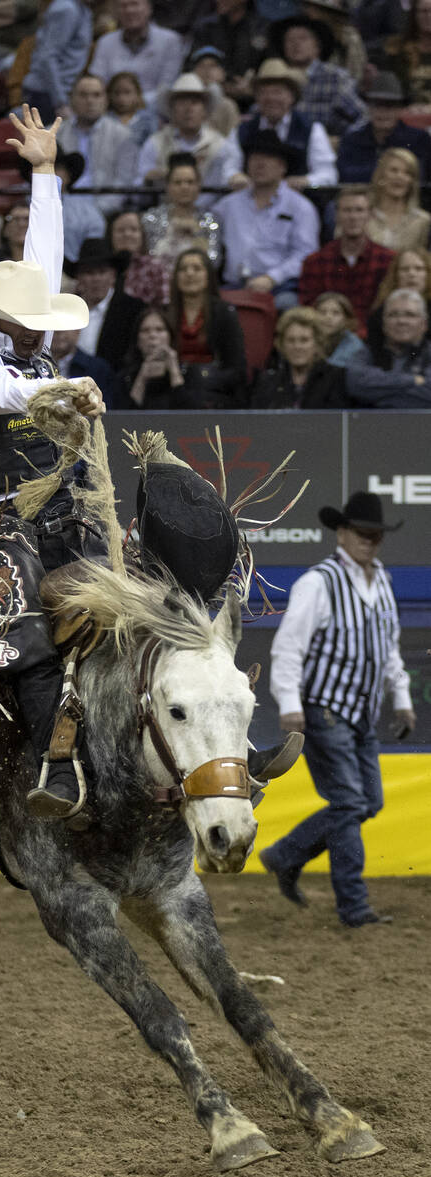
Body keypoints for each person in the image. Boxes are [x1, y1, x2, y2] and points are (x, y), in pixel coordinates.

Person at [0, 105, 104, 816]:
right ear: (10, 320)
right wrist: (67, 388)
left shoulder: (18, 342)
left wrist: (44, 173)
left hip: (61, 517)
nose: (49, 330)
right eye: (39, 319)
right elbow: (21, 394)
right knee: (29, 635)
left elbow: (42, 263)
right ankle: (55, 765)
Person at [261, 491, 415, 927]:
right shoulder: (319, 582)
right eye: (363, 533)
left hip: (361, 713)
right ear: (343, 533)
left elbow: (389, 648)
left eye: (376, 535)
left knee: (368, 802)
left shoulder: (381, 581)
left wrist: (400, 697)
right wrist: (290, 703)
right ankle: (354, 906)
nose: (370, 541)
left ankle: (285, 854)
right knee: (350, 802)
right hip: (324, 709)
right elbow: (289, 646)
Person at [213, 131, 320, 309]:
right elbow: (206, 230)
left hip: (281, 286)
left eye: (268, 158)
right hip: (233, 284)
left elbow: (306, 254)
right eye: (254, 157)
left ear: (282, 167)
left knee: (287, 305)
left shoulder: (301, 207)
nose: (260, 164)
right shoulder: (227, 205)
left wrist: (272, 277)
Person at [297, 186, 395, 330]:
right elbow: (308, 309)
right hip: (327, 335)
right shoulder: (315, 261)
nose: (353, 217)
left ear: (370, 215)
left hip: (373, 336)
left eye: (359, 210)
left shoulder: (388, 260)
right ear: (336, 215)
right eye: (347, 210)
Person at [233, 58, 337, 191]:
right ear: (256, 98)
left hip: (300, 203)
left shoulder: (311, 129)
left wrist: (305, 181)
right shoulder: (243, 130)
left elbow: (328, 175)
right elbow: (229, 168)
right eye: (264, 92)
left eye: (277, 92)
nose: (271, 98)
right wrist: (236, 176)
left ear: (292, 96)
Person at [166, 246, 248, 407]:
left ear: (208, 276)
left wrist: (201, 379)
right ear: (175, 277)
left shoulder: (224, 313)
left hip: (213, 391)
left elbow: (237, 369)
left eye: (197, 268)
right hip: (172, 388)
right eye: (183, 269)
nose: (189, 273)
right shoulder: (164, 313)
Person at [136, 73, 243, 192]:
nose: (188, 109)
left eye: (194, 102)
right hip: (165, 208)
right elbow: (138, 185)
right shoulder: (155, 143)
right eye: (182, 102)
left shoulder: (221, 145)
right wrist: (152, 177)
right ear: (172, 109)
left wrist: (236, 178)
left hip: (212, 209)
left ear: (204, 109)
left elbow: (230, 174)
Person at [267, 13, 365, 138]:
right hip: (280, 147)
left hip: (326, 147)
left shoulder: (334, 77)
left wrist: (344, 142)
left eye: (303, 38)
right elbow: (259, 113)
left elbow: (363, 116)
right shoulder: (277, 75)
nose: (296, 44)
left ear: (317, 46)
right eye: (290, 39)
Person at [57, 73, 139, 216]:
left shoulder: (123, 136)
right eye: (83, 95)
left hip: (105, 212)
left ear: (106, 100)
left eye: (96, 95)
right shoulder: (54, 134)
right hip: (59, 209)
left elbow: (123, 183)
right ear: (71, 100)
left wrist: (95, 212)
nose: (90, 101)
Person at [335, 71, 431, 185]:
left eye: (390, 106)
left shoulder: (418, 139)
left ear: (400, 109)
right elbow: (344, 176)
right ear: (369, 107)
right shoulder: (351, 140)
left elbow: (419, 176)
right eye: (377, 105)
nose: (383, 112)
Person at [88, 0, 184, 107]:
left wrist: (133, 103)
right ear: (116, 11)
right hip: (111, 109)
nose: (129, 10)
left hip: (156, 111)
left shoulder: (170, 41)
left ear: (149, 8)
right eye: (123, 6)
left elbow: (167, 87)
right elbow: (98, 81)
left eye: (135, 4)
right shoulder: (105, 42)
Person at [345, 287, 431, 406]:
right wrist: (413, 380)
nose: (401, 321)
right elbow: (356, 384)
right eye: (393, 315)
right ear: (383, 323)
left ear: (424, 324)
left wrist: (380, 396)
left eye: (410, 315)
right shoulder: (366, 353)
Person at [71, 236, 144, 372]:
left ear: (113, 276)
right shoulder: (67, 309)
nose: (96, 279)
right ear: (79, 278)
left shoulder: (132, 309)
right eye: (89, 273)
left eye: (102, 272)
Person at [141, 152, 222, 274]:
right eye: (178, 182)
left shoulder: (209, 220)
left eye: (190, 182)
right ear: (168, 186)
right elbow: (148, 259)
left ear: (198, 186)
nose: (184, 187)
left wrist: (196, 233)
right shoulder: (152, 218)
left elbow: (213, 262)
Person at [250, 305, 347, 407]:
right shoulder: (266, 381)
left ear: (317, 343)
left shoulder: (335, 378)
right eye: (291, 340)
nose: (297, 347)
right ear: (282, 345)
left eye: (304, 340)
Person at [19, 0, 93, 122]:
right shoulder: (67, 9)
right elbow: (47, 57)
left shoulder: (83, 9)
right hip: (47, 95)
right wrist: (60, 102)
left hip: (60, 93)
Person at [118, 305, 187, 408]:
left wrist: (174, 371)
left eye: (159, 329)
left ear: (170, 337)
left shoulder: (186, 373)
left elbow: (191, 416)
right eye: (145, 330)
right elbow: (121, 418)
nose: (152, 335)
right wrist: (142, 378)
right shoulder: (124, 378)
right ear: (137, 340)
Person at [365, 147, 431, 252]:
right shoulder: (362, 216)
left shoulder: (423, 221)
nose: (400, 177)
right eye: (394, 170)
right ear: (381, 175)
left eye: (408, 173)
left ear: (412, 181)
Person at [108, 208, 167, 305]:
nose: (127, 234)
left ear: (142, 235)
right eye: (120, 230)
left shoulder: (155, 267)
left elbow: (163, 305)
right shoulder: (103, 267)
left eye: (134, 229)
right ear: (111, 235)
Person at [105, 69, 159, 148]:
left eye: (127, 92)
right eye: (117, 93)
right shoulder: (105, 119)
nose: (122, 98)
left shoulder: (148, 120)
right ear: (109, 95)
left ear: (138, 94)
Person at [314, 290, 366, 365]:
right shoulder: (308, 340)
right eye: (322, 312)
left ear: (346, 319)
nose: (328, 317)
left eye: (336, 313)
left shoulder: (355, 347)